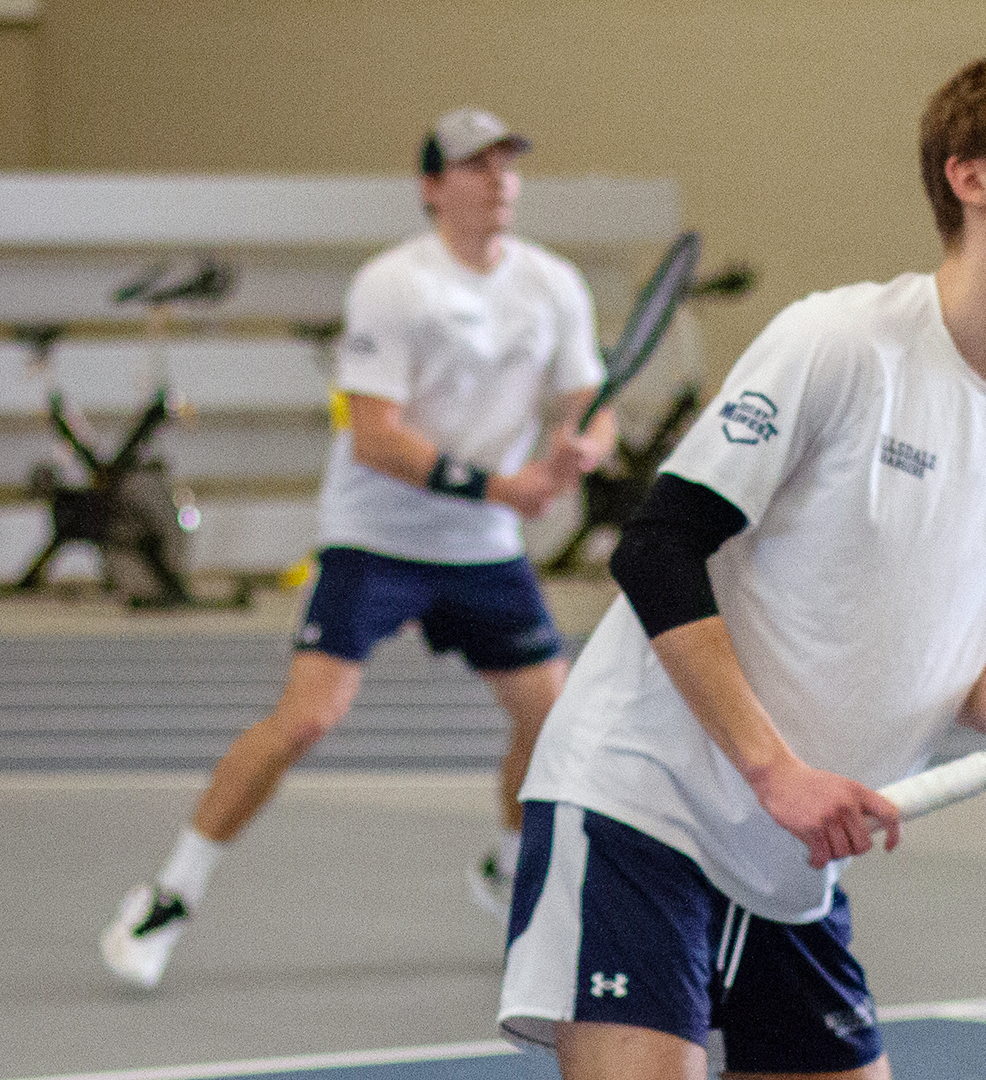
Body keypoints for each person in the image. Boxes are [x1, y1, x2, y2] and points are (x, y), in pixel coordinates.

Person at [498, 44, 986, 1080]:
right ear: (971, 176)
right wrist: (776, 771)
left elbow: (979, 664)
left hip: (791, 861)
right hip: (646, 804)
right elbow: (658, 549)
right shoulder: (841, 344)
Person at [100, 107, 617, 990]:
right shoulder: (393, 284)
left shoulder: (553, 284)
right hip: (376, 537)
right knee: (308, 718)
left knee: (553, 720)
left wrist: (584, 448)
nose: (499, 181)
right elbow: (377, 438)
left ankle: (506, 868)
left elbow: (588, 400)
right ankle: (167, 895)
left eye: (508, 164)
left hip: (483, 547)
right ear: (431, 188)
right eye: (475, 166)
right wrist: (501, 485)